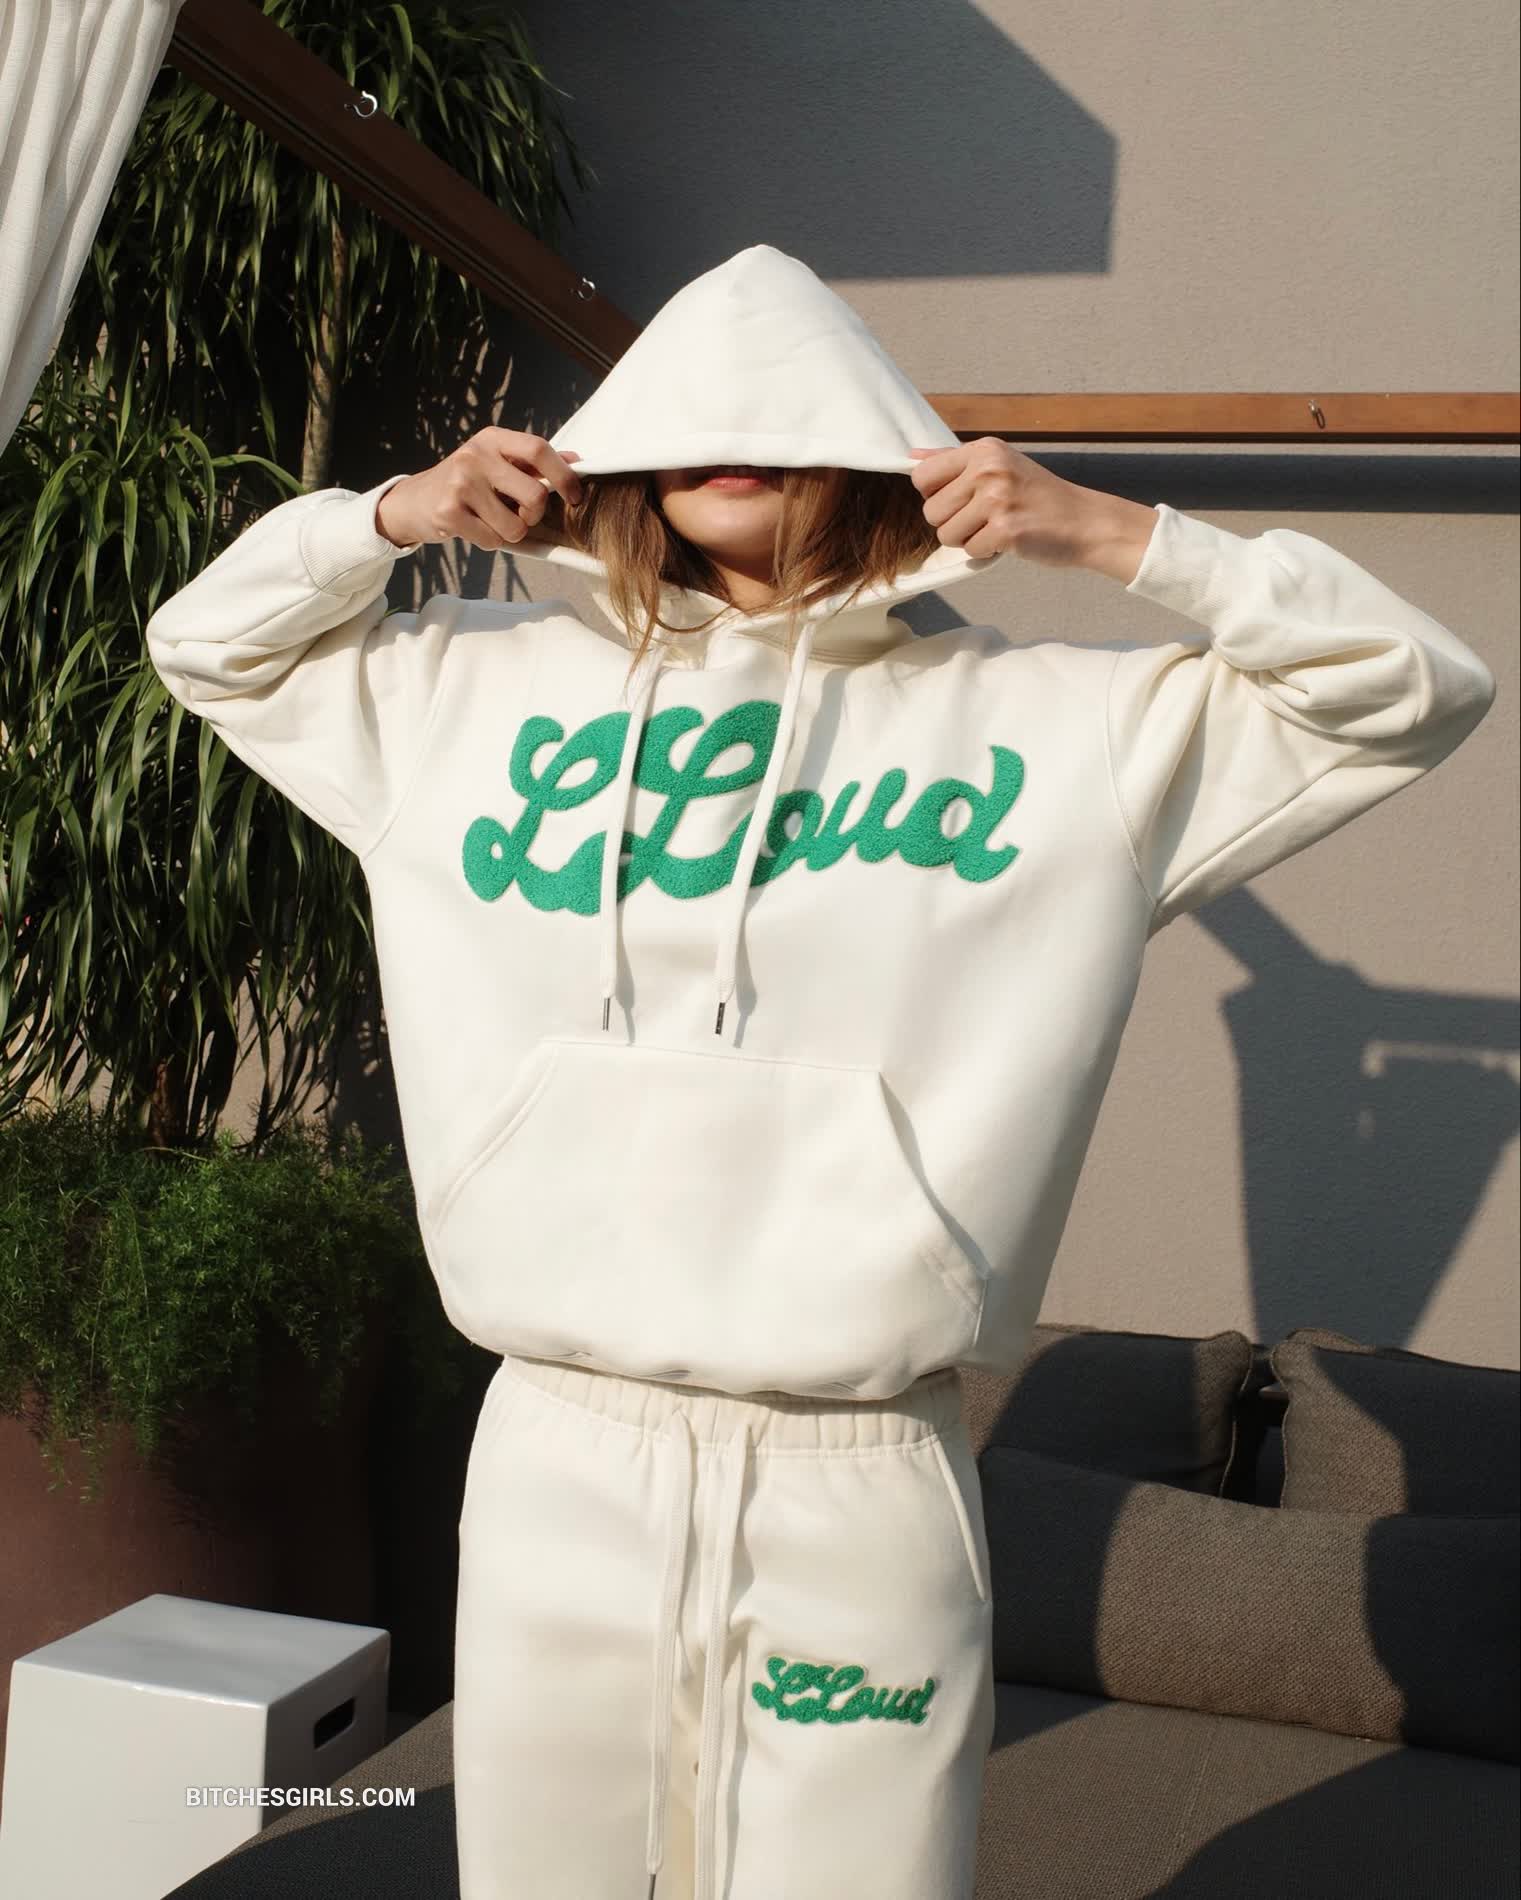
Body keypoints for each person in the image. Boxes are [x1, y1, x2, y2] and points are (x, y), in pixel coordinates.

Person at [143, 243, 1496, 1900]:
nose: (737, 441)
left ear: (871, 449)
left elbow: (1411, 688)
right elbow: (210, 645)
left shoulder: (1066, 730)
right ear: (628, 447)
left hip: (859, 1470)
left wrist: (1116, 537)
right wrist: (386, 520)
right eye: (697, 414)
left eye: (785, 415)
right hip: (559, 1442)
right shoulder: (458, 694)